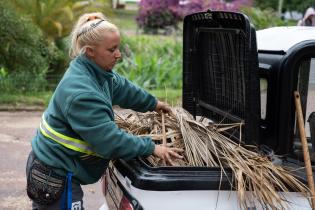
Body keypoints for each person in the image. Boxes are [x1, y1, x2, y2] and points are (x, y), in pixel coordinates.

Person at [25, 12, 183, 210]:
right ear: (90, 51)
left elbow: (123, 88)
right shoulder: (82, 94)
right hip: (55, 172)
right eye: (112, 49)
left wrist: (153, 103)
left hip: (58, 166)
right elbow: (109, 141)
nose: (119, 54)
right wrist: (151, 147)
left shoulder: (97, 72)